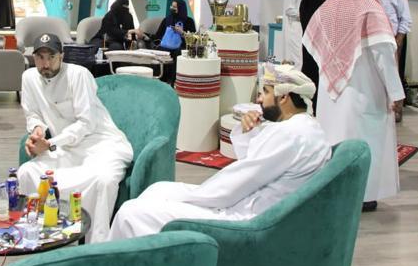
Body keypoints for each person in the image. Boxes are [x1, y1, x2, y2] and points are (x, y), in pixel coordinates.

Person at [108, 64, 331, 240]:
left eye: (265, 92)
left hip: (246, 220)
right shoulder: (306, 128)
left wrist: (193, 198)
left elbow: (237, 182)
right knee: (157, 190)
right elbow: (256, 165)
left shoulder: (290, 135)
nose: (259, 99)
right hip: (249, 205)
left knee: (130, 213)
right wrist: (249, 131)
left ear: (284, 97)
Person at [303, 0, 404, 212]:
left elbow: (311, 41)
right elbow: (384, 55)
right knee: (362, 143)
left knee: (335, 139)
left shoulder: (329, 8)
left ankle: (334, 189)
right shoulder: (371, 10)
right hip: (364, 91)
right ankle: (362, 194)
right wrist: (396, 93)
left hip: (332, 91)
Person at [18, 33, 133, 242]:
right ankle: (35, 237)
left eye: (51, 57)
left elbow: (86, 123)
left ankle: (95, 246)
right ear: (33, 58)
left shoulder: (78, 75)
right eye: (40, 57)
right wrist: (37, 131)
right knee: (27, 172)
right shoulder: (29, 77)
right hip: (65, 149)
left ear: (62, 56)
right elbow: (33, 114)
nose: (46, 64)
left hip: (101, 145)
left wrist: (50, 144)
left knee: (104, 180)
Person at [377, 0, 412, 121]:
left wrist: (399, 38)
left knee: (393, 74)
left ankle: (397, 109)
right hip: (378, 39)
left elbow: (406, 18)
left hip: (392, 39)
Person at [298, 0, 331, 94]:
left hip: (308, 45)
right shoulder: (328, 2)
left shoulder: (305, 1)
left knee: (309, 75)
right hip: (324, 50)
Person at [154, 0, 196, 84]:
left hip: (182, 46)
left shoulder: (189, 21)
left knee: (178, 52)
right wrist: (146, 36)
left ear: (181, 8)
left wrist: (182, 33)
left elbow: (193, 38)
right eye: (171, 6)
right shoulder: (167, 19)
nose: (172, 8)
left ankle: (174, 82)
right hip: (166, 45)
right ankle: (161, 81)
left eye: (174, 7)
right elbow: (158, 35)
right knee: (161, 50)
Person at [282, 0, 313, 68]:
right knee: (296, 58)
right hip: (294, 28)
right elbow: (288, 10)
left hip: (304, 27)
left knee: (302, 58)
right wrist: (304, 14)